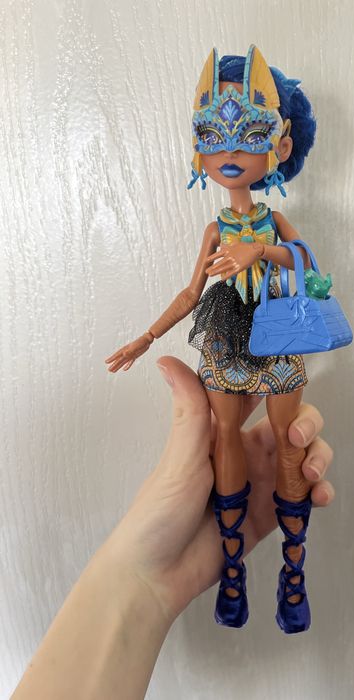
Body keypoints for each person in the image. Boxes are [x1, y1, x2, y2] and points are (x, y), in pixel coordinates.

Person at [105, 45, 320, 633]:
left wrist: (261, 250)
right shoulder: (214, 227)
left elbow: (308, 262)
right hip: (225, 333)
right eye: (213, 136)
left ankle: (293, 571)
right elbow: (190, 292)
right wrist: (147, 337)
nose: (229, 151)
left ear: (279, 148)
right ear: (199, 150)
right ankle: (231, 567)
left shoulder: (271, 220)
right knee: (224, 432)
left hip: (277, 329)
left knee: (289, 441)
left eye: (249, 135)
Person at [11, 357, 335, 700]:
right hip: (234, 346)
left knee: (285, 438)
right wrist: (149, 337)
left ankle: (286, 576)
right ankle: (247, 576)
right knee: (249, 434)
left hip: (270, 345)